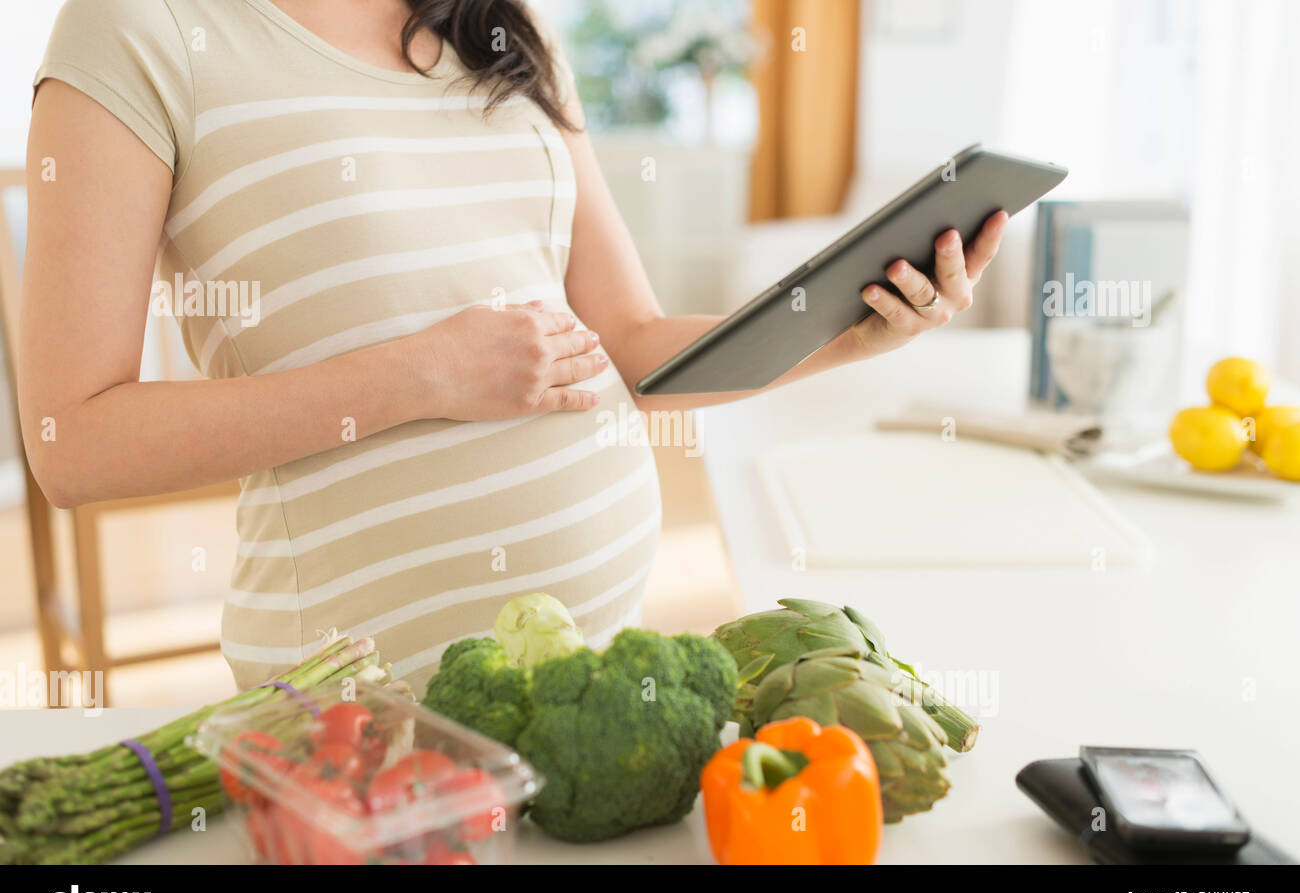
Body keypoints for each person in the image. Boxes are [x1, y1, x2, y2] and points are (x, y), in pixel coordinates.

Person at [18, 0, 1007, 693]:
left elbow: (625, 344)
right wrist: (418, 376)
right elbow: (74, 440)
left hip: (592, 668)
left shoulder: (499, 27)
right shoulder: (135, 27)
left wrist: (847, 330)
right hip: (364, 713)